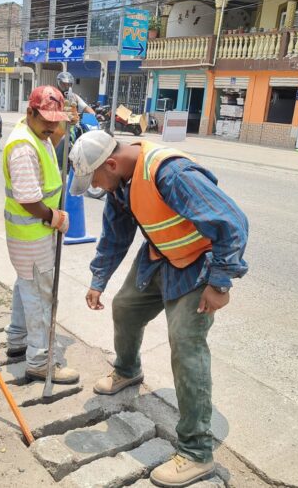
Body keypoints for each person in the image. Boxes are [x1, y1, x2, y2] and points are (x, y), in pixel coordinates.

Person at [68, 131, 249, 488]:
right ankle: (127, 369)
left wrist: (220, 283)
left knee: (185, 341)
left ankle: (197, 452)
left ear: (111, 164)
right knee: (125, 307)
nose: (99, 188)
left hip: (198, 266)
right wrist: (98, 279)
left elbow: (233, 222)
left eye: (97, 180)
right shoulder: (121, 183)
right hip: (160, 258)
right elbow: (115, 234)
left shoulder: (171, 174)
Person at [1, 86, 79, 384]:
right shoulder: (23, 148)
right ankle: (39, 361)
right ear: (29, 112)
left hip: (31, 234)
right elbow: (28, 199)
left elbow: (54, 138)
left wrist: (64, 123)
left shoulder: (36, 134)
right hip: (32, 234)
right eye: (46, 119)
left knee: (26, 286)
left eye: (55, 119)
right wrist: (54, 217)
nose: (52, 125)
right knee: (40, 297)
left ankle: (18, 340)